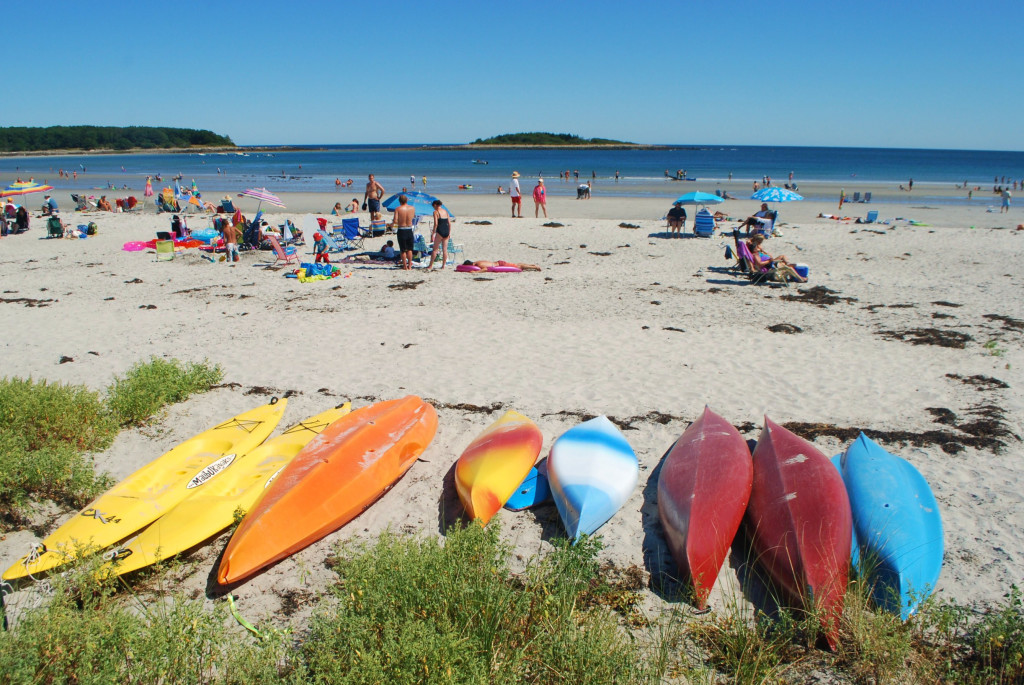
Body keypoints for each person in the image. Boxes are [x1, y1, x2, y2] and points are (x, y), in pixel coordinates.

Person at [427, 199, 452, 271]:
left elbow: (436, 224)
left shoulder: (436, 212)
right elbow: (449, 223)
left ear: (435, 205)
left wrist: (433, 233)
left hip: (440, 231)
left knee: (435, 249)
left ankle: (430, 265)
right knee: (445, 249)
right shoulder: (445, 211)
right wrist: (449, 233)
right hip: (446, 230)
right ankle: (443, 265)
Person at [393, 194, 416, 270]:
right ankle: (409, 265)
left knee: (403, 249)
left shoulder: (398, 209)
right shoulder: (412, 208)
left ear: (399, 201)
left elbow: (395, 220)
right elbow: (413, 217)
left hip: (401, 229)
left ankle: (405, 266)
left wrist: (392, 224)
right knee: (410, 249)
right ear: (407, 200)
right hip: (409, 229)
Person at [462, 260, 540, 271]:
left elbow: (486, 268)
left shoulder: (479, 264)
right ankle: (531, 265)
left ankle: (534, 267)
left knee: (518, 267)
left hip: (500, 264)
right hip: (499, 262)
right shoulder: (478, 261)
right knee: (516, 264)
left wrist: (476, 272)